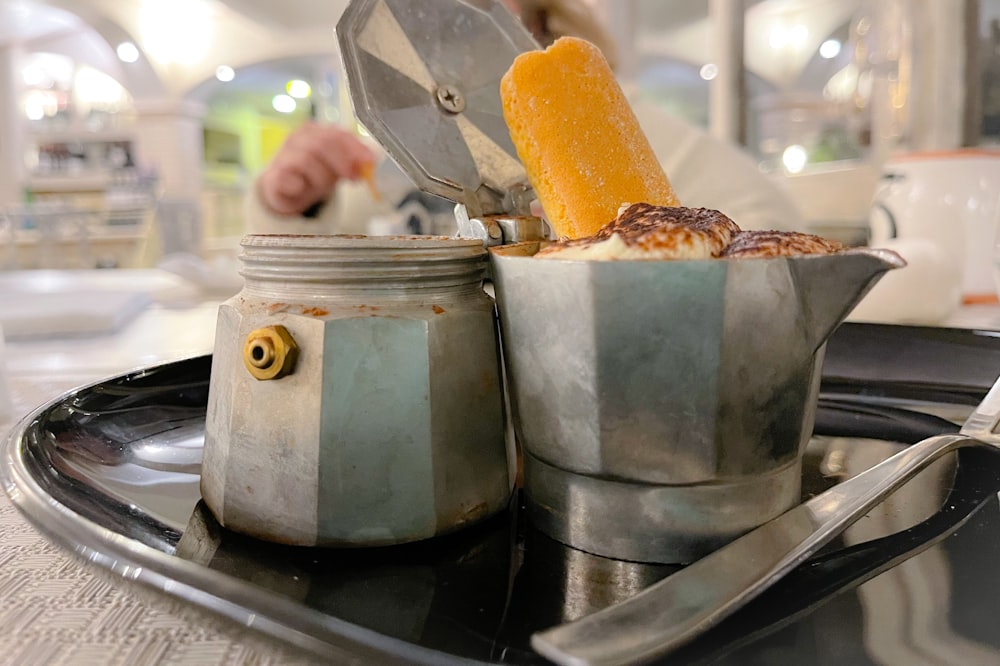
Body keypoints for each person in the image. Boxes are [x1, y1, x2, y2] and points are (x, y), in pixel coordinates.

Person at [247, 0, 803, 236]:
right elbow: (320, 257)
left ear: (536, 17)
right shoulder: (397, 149)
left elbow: (769, 225)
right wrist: (290, 202)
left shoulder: (612, 124)